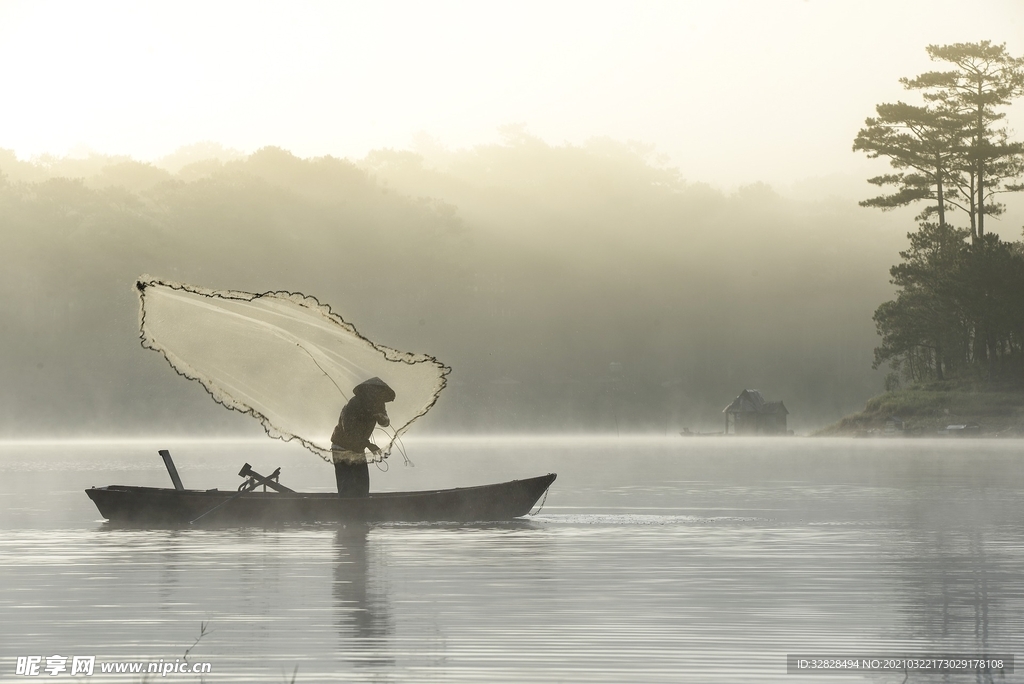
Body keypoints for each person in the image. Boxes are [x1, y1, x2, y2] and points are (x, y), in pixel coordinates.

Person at [331, 377, 395, 497]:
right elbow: (349, 431)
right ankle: (346, 509)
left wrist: (381, 418)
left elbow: (386, 423)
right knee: (347, 487)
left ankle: (360, 507)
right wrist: (368, 444)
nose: (378, 395)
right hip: (341, 448)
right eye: (375, 392)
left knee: (362, 486)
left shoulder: (378, 405)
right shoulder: (354, 404)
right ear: (368, 391)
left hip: (358, 448)